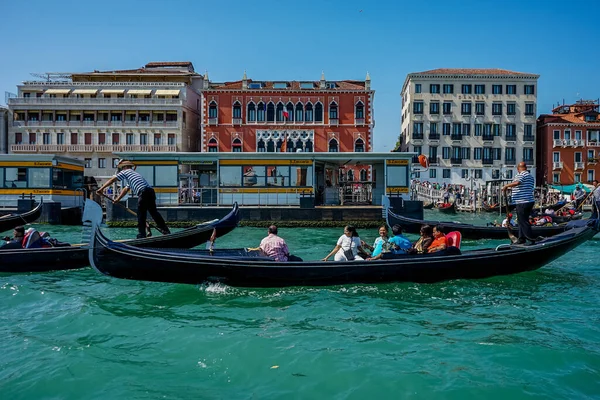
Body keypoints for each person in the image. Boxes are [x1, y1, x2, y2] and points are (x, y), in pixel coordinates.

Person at [96, 160, 170, 239]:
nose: (122, 170)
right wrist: (117, 199)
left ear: (125, 167)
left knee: (141, 214)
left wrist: (101, 188)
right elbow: (125, 189)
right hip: (150, 191)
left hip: (143, 192)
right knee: (154, 213)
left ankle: (142, 235)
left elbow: (113, 179)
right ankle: (165, 230)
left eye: (122, 168)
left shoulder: (127, 171)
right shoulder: (133, 176)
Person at [502, 162, 537, 245]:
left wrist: (506, 186)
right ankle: (521, 239)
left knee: (523, 221)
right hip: (529, 201)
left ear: (518, 168)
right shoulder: (530, 176)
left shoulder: (521, 175)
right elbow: (522, 186)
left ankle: (531, 239)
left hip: (522, 201)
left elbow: (517, 183)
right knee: (521, 221)